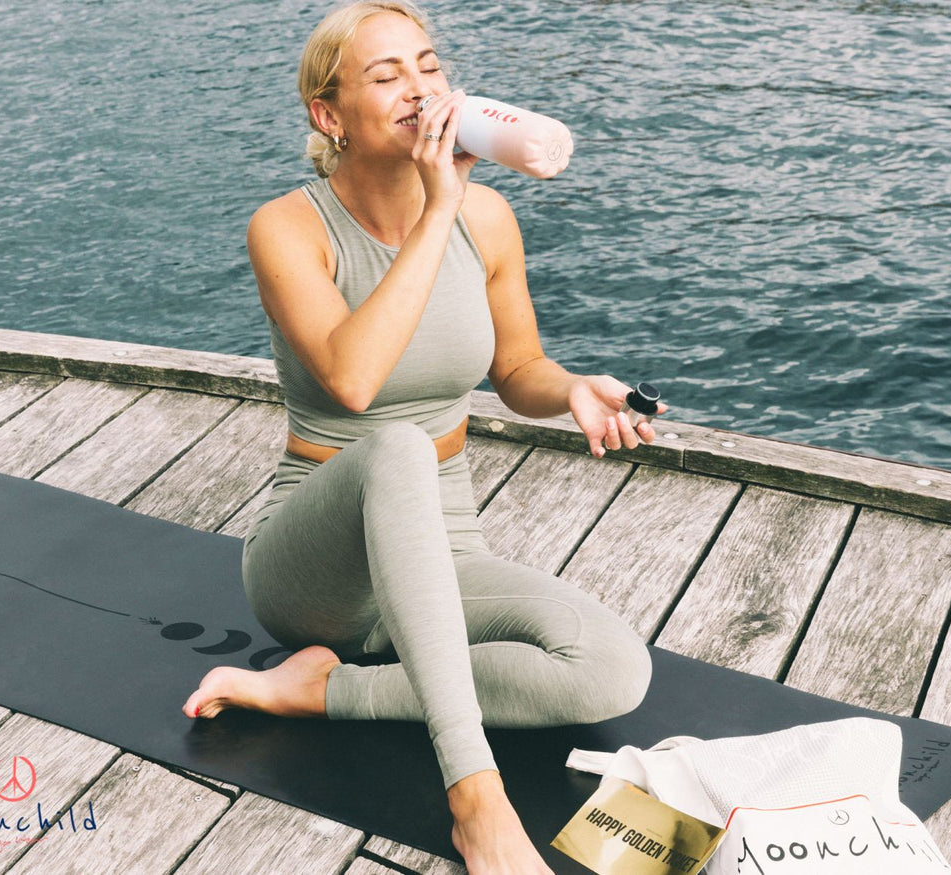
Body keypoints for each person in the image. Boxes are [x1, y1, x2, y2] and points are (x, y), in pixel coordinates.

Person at [184, 3, 661, 872]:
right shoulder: (288, 229)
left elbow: (516, 367)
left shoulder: (488, 219)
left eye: (429, 65)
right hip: (319, 561)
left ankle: (325, 690)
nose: (419, 87)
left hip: (443, 541)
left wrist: (571, 390)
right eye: (386, 74)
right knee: (398, 442)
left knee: (611, 667)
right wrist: (442, 205)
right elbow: (354, 380)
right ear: (329, 115)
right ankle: (475, 797)